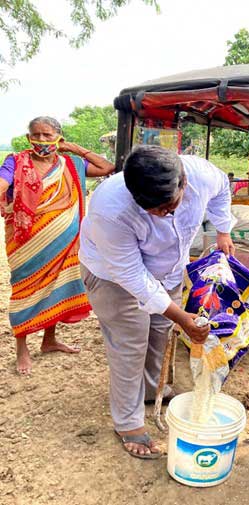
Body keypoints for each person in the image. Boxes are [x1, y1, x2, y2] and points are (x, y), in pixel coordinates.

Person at [78, 144, 235, 459]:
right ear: (131, 190)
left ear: (184, 184)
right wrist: (184, 317)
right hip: (113, 276)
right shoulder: (110, 207)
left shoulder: (201, 174)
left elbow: (222, 191)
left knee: (158, 335)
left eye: (168, 205)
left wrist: (222, 230)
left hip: (168, 271)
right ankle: (128, 423)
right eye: (150, 208)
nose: (161, 214)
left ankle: (152, 391)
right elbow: (132, 276)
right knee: (130, 343)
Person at [0, 116, 115, 375]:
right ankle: (21, 348)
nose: (41, 140)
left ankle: (49, 340)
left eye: (48, 135)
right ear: (29, 137)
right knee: (24, 290)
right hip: (26, 242)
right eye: (36, 135)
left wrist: (74, 148)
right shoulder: (16, 162)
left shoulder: (71, 163)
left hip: (64, 242)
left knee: (56, 287)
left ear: (58, 137)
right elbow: (3, 182)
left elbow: (107, 167)